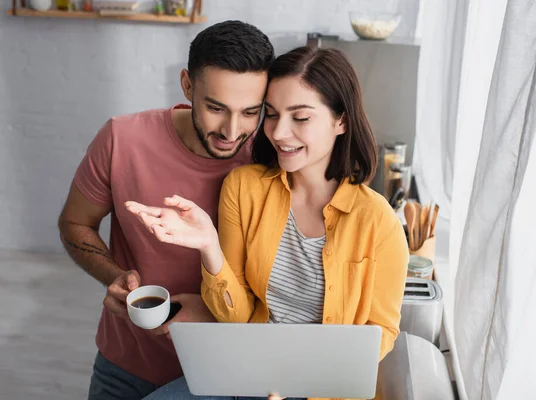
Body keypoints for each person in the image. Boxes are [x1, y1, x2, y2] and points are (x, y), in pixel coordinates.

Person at [127, 46, 409, 400]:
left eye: (300, 118)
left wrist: (300, 377)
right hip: (245, 370)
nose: (278, 133)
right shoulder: (243, 188)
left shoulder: (378, 221)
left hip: (320, 386)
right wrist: (209, 246)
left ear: (341, 121)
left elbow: (380, 333)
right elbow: (237, 315)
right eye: (272, 115)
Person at [57, 21, 275, 400]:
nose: (231, 130)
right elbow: (76, 223)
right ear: (187, 85)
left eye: (250, 112)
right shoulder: (122, 139)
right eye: (215, 108)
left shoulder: (271, 158)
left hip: (227, 372)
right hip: (126, 364)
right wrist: (117, 277)